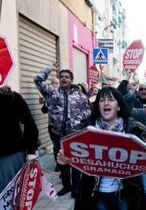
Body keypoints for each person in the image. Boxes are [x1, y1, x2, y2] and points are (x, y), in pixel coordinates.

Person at [58, 87, 146, 210]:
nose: (106, 103)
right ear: (98, 106)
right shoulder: (87, 130)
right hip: (96, 194)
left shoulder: (133, 128)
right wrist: (65, 160)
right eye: (102, 100)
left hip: (126, 193)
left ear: (119, 106)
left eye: (111, 100)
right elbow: (73, 156)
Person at [34, 62, 91, 197]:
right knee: (62, 161)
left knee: (76, 161)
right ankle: (67, 186)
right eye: (62, 77)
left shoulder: (80, 96)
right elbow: (37, 80)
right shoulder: (51, 92)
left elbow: (88, 110)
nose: (64, 79)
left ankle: (76, 188)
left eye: (67, 77)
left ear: (72, 79)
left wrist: (79, 119)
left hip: (75, 134)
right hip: (58, 133)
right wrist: (48, 69)